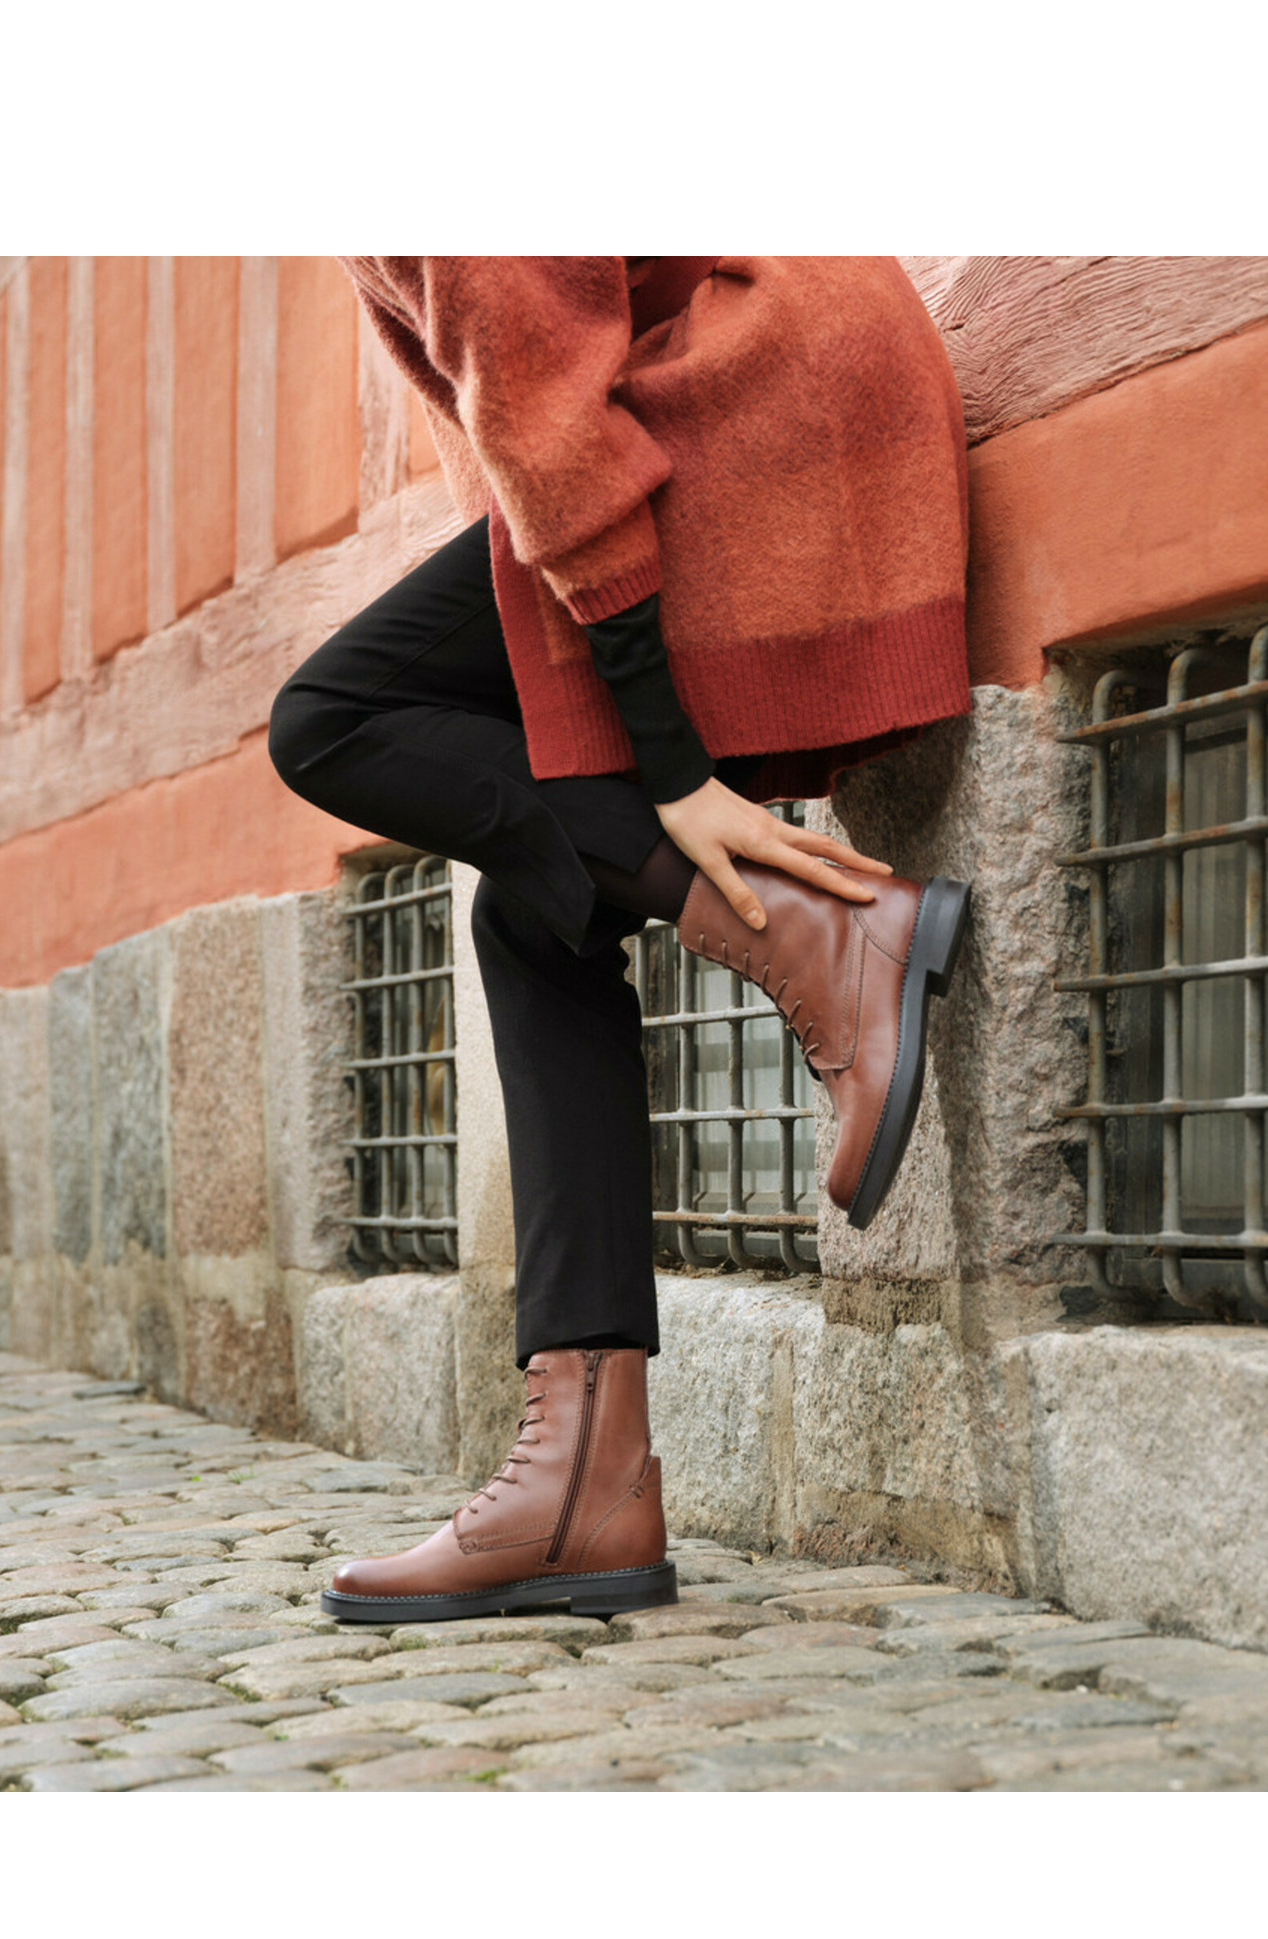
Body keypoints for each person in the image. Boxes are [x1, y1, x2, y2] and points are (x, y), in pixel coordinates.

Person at [266, 257, 973, 1626]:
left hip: (750, 409)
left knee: (333, 720)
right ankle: (588, 1481)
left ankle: (823, 937)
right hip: (736, 406)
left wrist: (666, 763)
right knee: (532, 904)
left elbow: (542, 409)